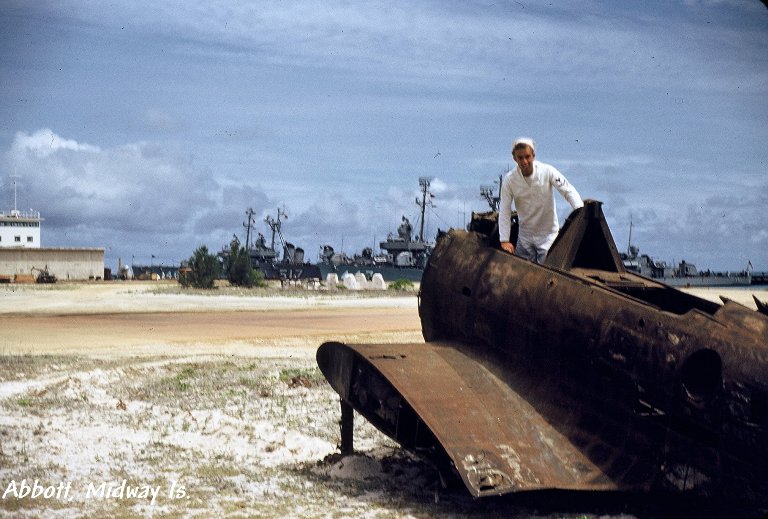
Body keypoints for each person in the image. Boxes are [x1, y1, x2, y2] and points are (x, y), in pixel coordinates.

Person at [498, 137, 583, 263]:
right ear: (514, 158)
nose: (524, 161)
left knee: (550, 272)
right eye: (520, 158)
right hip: (525, 236)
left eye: (527, 156)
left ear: (533, 155)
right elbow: (504, 210)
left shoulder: (547, 171)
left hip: (548, 236)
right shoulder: (509, 180)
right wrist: (504, 240)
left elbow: (568, 190)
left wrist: (581, 212)